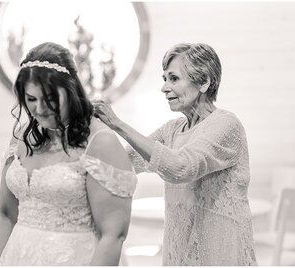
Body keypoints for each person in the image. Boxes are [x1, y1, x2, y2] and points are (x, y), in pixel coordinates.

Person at [93, 43, 257, 265]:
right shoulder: (171, 129)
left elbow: (181, 168)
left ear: (204, 82)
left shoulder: (227, 125)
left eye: (174, 78)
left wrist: (116, 124)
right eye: (164, 79)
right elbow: (122, 164)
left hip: (220, 255)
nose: (164, 87)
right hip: (178, 255)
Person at [0, 42, 137, 266]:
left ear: (72, 89)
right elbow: (5, 213)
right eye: (31, 99)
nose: (40, 108)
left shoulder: (100, 141)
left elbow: (112, 236)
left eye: (50, 99)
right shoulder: (22, 136)